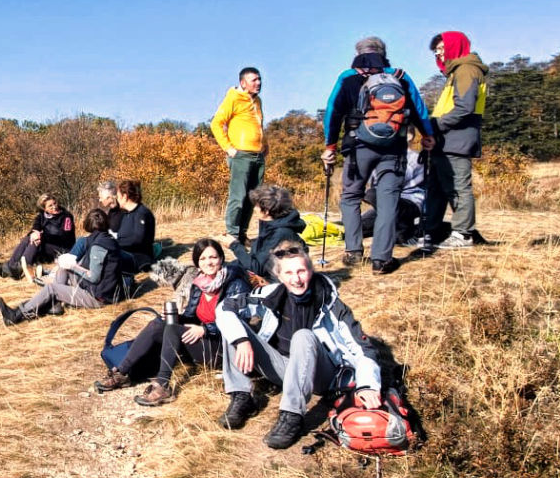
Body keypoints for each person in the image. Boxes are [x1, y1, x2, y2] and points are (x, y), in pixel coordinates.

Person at [216, 241, 382, 450]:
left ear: (310, 270)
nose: (296, 279)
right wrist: (241, 340)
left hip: (320, 376)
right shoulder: (271, 296)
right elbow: (225, 307)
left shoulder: (329, 301)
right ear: (280, 276)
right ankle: (242, 397)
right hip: (283, 368)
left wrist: (367, 385)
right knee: (233, 325)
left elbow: (364, 349)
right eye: (289, 273)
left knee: (303, 336)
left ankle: (291, 416)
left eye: (301, 271)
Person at [321, 37, 436, 275]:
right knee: (388, 201)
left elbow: (333, 111)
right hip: (393, 148)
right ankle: (381, 260)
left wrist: (330, 146)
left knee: (351, 196)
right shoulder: (400, 76)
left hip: (357, 145)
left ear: (358, 53)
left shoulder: (348, 77)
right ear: (384, 53)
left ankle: (353, 251)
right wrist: (427, 134)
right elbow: (418, 107)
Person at [92, 239, 252, 406]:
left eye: (213, 257)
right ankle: (122, 372)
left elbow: (241, 321)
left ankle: (163, 386)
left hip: (224, 347)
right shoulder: (200, 284)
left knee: (174, 331)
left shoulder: (235, 284)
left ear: (221, 258)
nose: (208, 262)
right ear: (197, 263)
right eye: (203, 259)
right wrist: (175, 317)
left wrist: (205, 329)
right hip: (202, 340)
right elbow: (191, 315)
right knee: (158, 324)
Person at [420, 31, 489, 250]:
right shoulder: (456, 72)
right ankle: (430, 231)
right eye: (436, 51)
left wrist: (433, 126)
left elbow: (464, 108)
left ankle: (462, 234)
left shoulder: (467, 70)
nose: (439, 54)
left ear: (454, 46)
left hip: (457, 139)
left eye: (441, 48)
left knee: (458, 186)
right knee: (437, 187)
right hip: (445, 139)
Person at [0, 209, 124, 325]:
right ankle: (54, 304)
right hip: (101, 289)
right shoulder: (108, 240)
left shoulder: (98, 246)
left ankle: (16, 316)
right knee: (63, 269)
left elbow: (94, 277)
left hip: (98, 296)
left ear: (89, 226)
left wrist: (74, 266)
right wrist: (69, 266)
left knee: (52, 288)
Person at [212, 67, 267, 246]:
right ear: (243, 83)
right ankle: (232, 234)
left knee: (252, 196)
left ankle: (242, 234)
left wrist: (265, 145)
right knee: (238, 196)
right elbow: (216, 123)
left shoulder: (257, 101)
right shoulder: (233, 98)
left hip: (258, 155)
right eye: (254, 80)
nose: (258, 83)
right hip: (241, 155)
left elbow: (258, 125)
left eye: (259, 79)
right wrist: (228, 148)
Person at [0, 194, 75, 280]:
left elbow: (65, 236)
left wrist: (41, 236)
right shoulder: (42, 216)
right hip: (47, 245)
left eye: (55, 203)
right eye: (50, 206)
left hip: (63, 247)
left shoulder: (66, 217)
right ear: (45, 209)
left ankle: (22, 269)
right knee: (28, 239)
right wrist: (34, 233)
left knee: (35, 242)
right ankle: (11, 266)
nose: (54, 207)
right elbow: (36, 226)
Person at [240, 185, 305, 278]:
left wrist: (234, 246)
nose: (254, 209)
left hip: (279, 283)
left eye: (257, 206)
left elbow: (258, 268)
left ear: (266, 211)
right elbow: (262, 249)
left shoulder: (280, 233)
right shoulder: (271, 225)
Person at [365, 150, 425, 245]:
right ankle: (397, 227)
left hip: (410, 201)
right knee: (357, 227)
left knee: (372, 195)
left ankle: (405, 228)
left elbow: (396, 181)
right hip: (386, 201)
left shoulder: (413, 157)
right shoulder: (376, 156)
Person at [114, 180, 157, 272]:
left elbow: (137, 239)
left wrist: (114, 243)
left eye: (118, 197)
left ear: (125, 197)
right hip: (125, 253)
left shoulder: (142, 213)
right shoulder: (126, 214)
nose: (117, 199)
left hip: (139, 258)